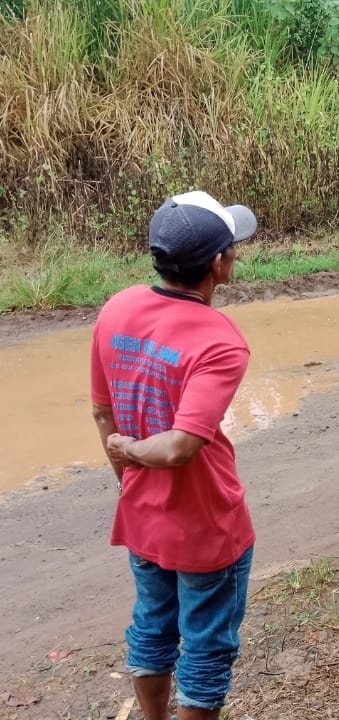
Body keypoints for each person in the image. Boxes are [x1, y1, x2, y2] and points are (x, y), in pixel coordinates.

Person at [90, 191, 258, 720]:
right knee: (206, 649)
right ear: (218, 263)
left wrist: (126, 473)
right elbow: (183, 446)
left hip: (142, 513)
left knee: (152, 627)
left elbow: (102, 411)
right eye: (233, 247)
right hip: (206, 523)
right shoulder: (220, 340)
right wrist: (132, 450)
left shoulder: (117, 308)